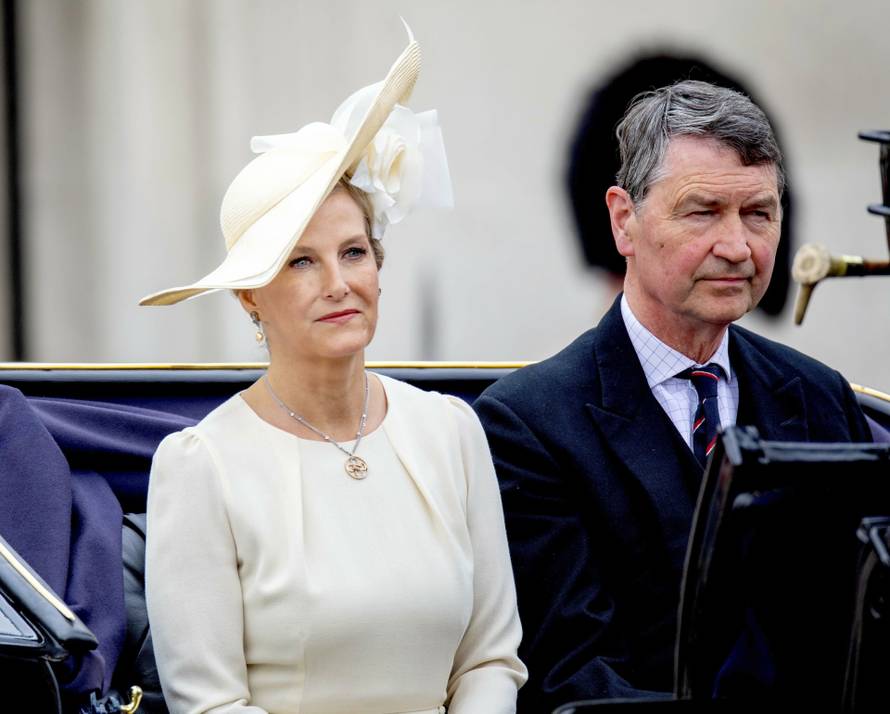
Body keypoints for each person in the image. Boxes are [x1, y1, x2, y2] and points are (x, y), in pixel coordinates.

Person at [140, 28, 526, 714]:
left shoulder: (452, 432)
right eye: (301, 261)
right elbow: (211, 705)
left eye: (354, 252)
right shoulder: (201, 466)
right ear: (250, 296)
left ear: (380, 266)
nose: (339, 283)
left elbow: (491, 660)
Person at [474, 80, 870, 712]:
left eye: (759, 214)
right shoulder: (526, 425)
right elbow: (575, 674)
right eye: (703, 211)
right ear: (623, 220)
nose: (738, 247)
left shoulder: (822, 398)